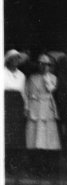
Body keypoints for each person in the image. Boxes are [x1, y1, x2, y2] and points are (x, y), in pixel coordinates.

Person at [24, 54, 61, 177]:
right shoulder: (31, 78)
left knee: (47, 140)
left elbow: (51, 88)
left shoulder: (53, 78)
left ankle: (46, 167)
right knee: (34, 138)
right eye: (40, 64)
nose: (43, 67)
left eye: (46, 65)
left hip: (46, 111)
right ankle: (34, 167)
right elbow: (27, 93)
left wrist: (46, 76)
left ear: (49, 66)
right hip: (35, 109)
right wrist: (27, 108)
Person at [4, 49, 29, 177]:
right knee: (5, 135)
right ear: (8, 60)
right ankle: (5, 165)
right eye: (13, 59)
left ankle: (14, 165)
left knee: (17, 137)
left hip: (17, 105)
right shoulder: (2, 72)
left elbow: (23, 93)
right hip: (5, 104)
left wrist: (26, 108)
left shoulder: (21, 75)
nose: (15, 62)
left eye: (17, 59)